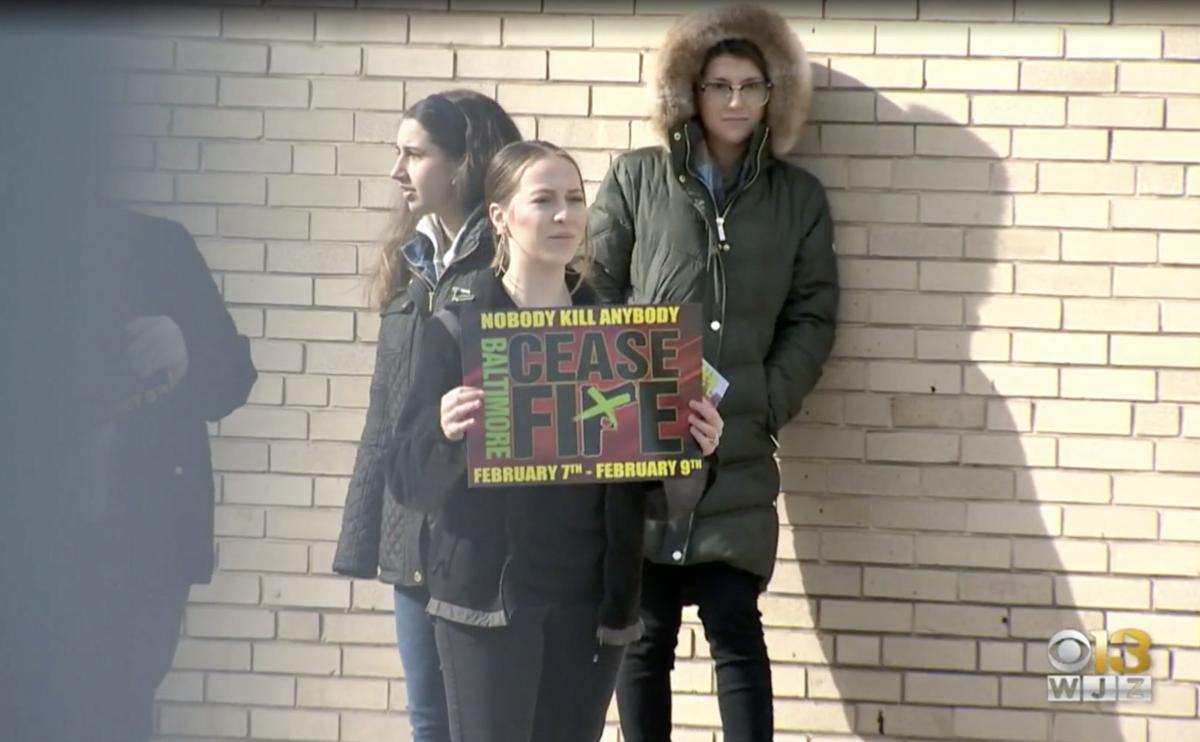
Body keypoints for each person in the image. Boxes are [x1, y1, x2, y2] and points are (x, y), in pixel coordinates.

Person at [386, 140, 725, 742]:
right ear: (500, 217)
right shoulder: (456, 329)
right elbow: (407, 480)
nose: (565, 215)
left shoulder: (626, 338)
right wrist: (444, 433)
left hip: (593, 608)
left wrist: (695, 447)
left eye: (574, 199)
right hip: (488, 603)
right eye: (543, 200)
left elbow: (660, 498)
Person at [587, 5, 839, 741]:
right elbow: (597, 290)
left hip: (736, 454)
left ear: (773, 95)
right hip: (644, 449)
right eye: (718, 86)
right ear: (689, 94)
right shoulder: (636, 179)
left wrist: (760, 401)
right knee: (645, 636)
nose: (734, 102)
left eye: (750, 87)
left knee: (736, 629)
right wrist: (626, 400)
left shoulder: (798, 200)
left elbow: (813, 316)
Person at [332, 89, 521, 742]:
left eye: (413, 154)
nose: (397, 172)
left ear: (464, 161)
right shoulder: (411, 263)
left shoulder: (511, 264)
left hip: (479, 535)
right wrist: (369, 526)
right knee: (429, 720)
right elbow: (386, 411)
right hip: (411, 520)